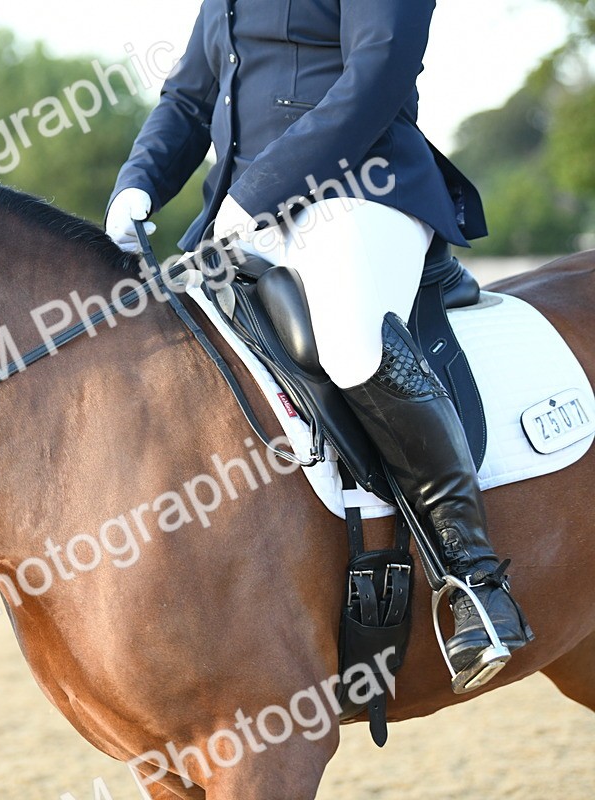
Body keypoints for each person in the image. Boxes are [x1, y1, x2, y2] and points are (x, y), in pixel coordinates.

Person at [104, 0, 532, 690]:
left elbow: (378, 72)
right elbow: (188, 99)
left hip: (362, 190)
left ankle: (476, 581)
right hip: (241, 218)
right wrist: (138, 182)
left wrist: (265, 187)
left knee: (349, 341)